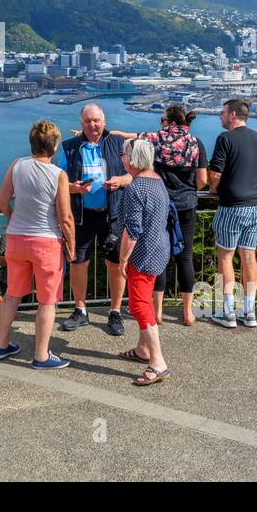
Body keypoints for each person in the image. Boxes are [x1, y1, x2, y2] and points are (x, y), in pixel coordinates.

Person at [107, 105, 207, 325]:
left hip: (161, 202)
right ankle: (188, 313)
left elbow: (134, 138)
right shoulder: (195, 142)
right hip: (187, 204)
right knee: (185, 256)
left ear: (170, 121)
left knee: (157, 252)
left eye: (162, 119)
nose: (160, 123)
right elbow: (202, 180)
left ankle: (158, 312)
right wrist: (188, 190)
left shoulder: (158, 139)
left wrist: (115, 133)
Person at [0, 120, 75, 370]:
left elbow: (2, 201)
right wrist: (71, 247)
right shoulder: (58, 175)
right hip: (46, 242)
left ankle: (2, 344)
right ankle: (41, 355)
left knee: (11, 295)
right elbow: (65, 218)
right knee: (47, 300)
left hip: (16, 239)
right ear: (55, 146)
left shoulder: (17, 165)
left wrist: (13, 218)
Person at [56, 104, 130, 336]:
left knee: (116, 264)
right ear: (81, 123)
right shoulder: (70, 148)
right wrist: (74, 189)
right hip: (82, 215)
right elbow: (60, 181)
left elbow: (133, 174)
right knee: (79, 262)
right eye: (88, 121)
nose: (93, 125)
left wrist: (121, 181)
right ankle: (80, 309)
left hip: (113, 214)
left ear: (104, 121)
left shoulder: (118, 144)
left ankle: (115, 311)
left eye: (96, 120)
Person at [208, 99, 257, 328]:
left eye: (222, 113)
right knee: (249, 256)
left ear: (232, 114)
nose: (220, 117)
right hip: (255, 206)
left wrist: (212, 189)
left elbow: (216, 173)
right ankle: (249, 311)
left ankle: (227, 311)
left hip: (232, 206)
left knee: (226, 256)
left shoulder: (225, 139)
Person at [116, 139, 172, 385]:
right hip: (160, 247)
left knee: (139, 304)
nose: (122, 157)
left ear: (133, 158)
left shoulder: (135, 188)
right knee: (145, 299)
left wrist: (123, 259)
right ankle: (143, 349)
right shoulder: (158, 181)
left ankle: (158, 361)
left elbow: (133, 230)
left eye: (125, 154)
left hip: (144, 253)